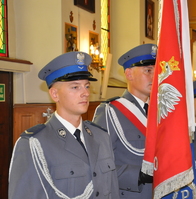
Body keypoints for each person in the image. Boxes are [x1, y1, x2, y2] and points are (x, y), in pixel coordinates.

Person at [9, 52, 120, 199]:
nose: (85, 93)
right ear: (55, 94)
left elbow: (113, 191)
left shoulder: (101, 136)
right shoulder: (35, 144)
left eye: (86, 86)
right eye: (75, 87)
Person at [93, 43, 157, 199]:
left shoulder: (160, 112)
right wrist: (138, 175)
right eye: (148, 71)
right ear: (129, 74)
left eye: (157, 72)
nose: (154, 77)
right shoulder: (111, 111)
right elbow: (97, 162)